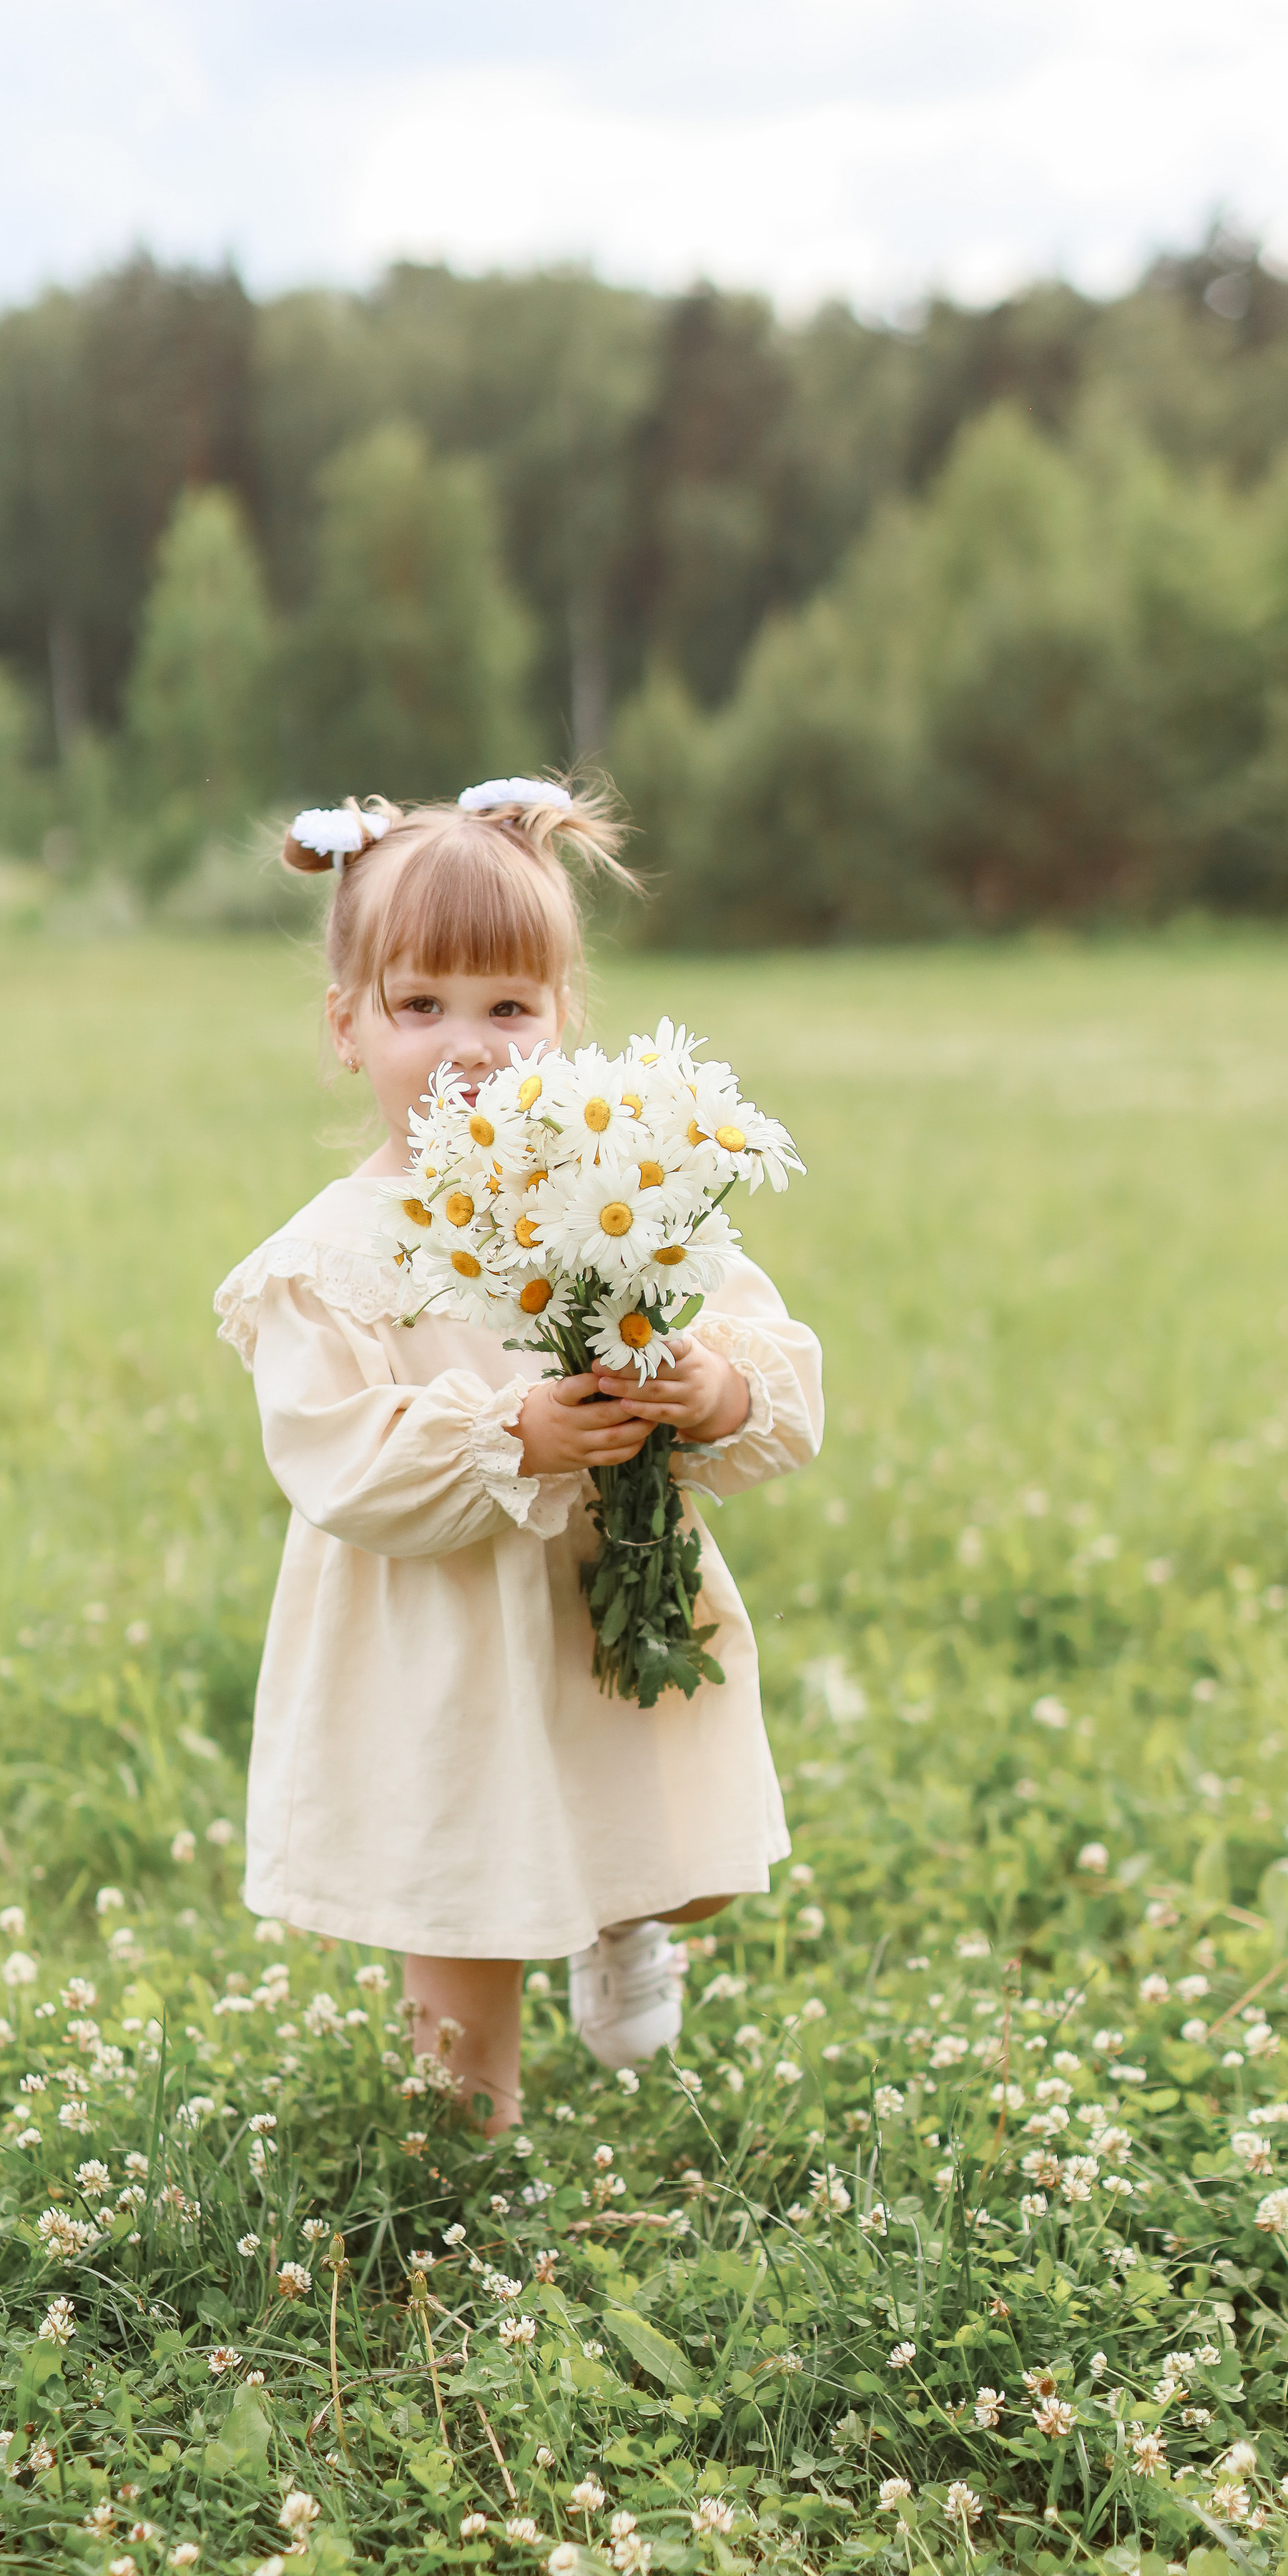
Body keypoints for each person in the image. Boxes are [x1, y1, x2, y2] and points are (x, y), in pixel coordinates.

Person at [213, 779, 822, 2134]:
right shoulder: (326, 1261)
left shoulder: (616, 1184)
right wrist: (513, 1435)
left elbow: (750, 1345)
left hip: (593, 1599)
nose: (468, 1049)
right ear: (348, 1025)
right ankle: (461, 2155)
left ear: (562, 1025)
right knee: (463, 1916)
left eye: (509, 1008)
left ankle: (619, 1923)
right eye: (421, 1006)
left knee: (683, 1839)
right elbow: (339, 1462)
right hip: (434, 1639)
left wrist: (710, 1389)